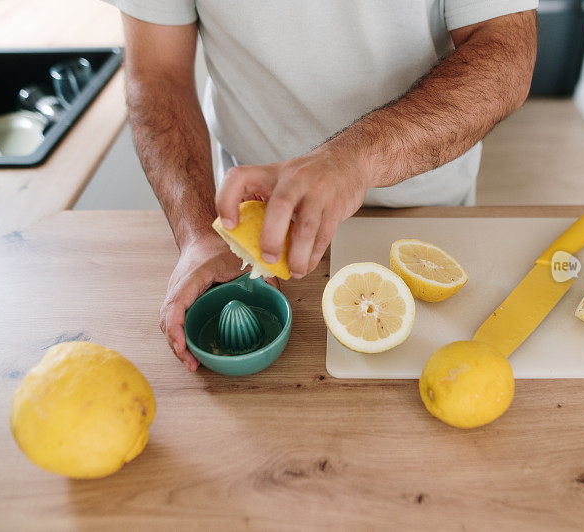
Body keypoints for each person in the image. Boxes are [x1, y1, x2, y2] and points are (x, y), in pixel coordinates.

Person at [110, 0, 538, 371]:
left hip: (424, 213)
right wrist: (200, 233)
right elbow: (157, 73)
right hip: (258, 231)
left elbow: (507, 52)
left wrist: (357, 158)